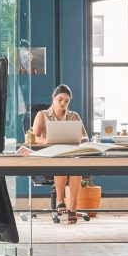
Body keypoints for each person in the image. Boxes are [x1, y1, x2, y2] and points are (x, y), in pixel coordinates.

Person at [32, 84, 89, 224]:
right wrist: (46, 141)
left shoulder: (74, 116)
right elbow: (34, 138)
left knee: (75, 166)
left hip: (70, 155)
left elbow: (85, 138)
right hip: (50, 157)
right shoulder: (42, 115)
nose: (63, 103)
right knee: (61, 161)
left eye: (67, 100)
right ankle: (60, 199)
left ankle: (73, 208)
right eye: (60, 99)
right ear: (53, 98)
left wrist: (75, 139)